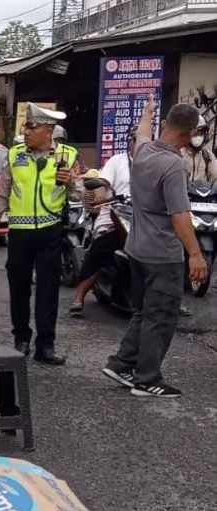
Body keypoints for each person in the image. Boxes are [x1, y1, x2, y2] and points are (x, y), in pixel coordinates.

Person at [102, 98, 208, 398]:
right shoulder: (173, 165)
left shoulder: (143, 151)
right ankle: (147, 378)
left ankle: (122, 364)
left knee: (143, 312)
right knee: (160, 316)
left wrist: (148, 111)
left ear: (166, 124)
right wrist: (195, 254)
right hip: (162, 254)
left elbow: (143, 132)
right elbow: (179, 215)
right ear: (190, 133)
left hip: (137, 249)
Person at [0, 103, 81, 365]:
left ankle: (45, 346)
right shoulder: (15, 155)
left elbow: (81, 196)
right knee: (19, 287)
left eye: (32, 127)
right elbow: (1, 194)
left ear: (48, 130)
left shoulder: (68, 156)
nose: (26, 132)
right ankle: (21, 338)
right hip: (20, 233)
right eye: (25, 126)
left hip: (50, 231)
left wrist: (72, 183)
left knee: (48, 290)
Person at [69, 128, 135, 317]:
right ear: (129, 141)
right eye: (135, 139)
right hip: (116, 213)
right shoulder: (117, 161)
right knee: (101, 247)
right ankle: (79, 296)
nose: (139, 143)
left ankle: (172, 298)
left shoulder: (153, 163)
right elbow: (102, 182)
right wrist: (100, 195)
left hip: (144, 217)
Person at [181, 116, 217, 182]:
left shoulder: (207, 155)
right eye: (195, 134)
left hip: (203, 188)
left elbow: (215, 177)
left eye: (201, 134)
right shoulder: (179, 155)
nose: (198, 137)